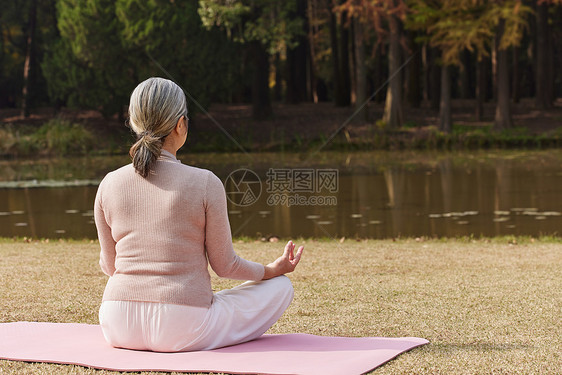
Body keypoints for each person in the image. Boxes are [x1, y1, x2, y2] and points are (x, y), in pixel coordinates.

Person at [94, 77, 303, 352]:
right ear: (181, 124)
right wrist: (271, 271)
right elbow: (225, 266)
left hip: (117, 323)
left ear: (134, 123)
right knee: (281, 287)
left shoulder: (109, 183)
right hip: (182, 326)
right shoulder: (205, 182)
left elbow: (110, 267)